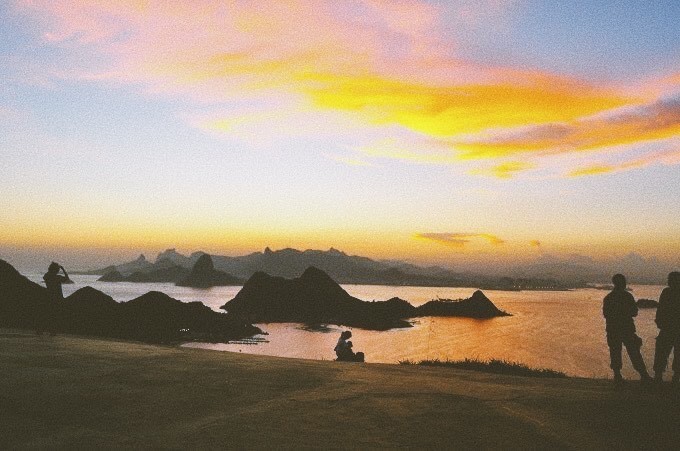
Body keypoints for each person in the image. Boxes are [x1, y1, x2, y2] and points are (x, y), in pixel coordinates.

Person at [603, 274, 651, 384]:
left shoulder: (609, 298)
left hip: (613, 330)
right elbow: (634, 312)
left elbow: (606, 314)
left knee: (615, 352)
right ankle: (644, 375)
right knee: (634, 352)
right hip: (627, 329)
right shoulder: (627, 296)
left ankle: (617, 376)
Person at [653, 272, 680, 384]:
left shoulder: (666, 292)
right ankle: (676, 376)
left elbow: (660, 309)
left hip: (667, 328)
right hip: (672, 328)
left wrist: (659, 322)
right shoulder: (667, 292)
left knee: (661, 352)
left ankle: (658, 375)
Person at [39, 262, 71, 335]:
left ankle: (41, 330)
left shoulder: (47, 276)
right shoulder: (57, 277)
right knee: (54, 315)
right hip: (57, 297)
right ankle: (52, 331)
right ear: (56, 270)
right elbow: (67, 278)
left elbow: (45, 276)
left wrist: (51, 269)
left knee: (47, 314)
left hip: (49, 297)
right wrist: (63, 269)